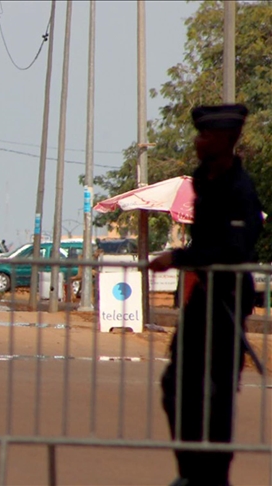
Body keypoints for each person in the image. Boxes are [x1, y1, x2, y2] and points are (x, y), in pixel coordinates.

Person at [149, 104, 263, 486]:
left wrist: (178, 257)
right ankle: (190, 473)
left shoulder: (240, 191)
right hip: (202, 302)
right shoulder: (204, 181)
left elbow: (234, 250)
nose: (198, 141)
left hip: (228, 303)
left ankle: (213, 479)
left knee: (217, 397)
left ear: (226, 141)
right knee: (175, 386)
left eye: (206, 136)